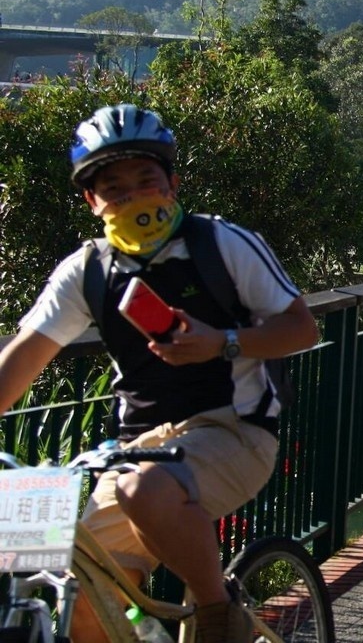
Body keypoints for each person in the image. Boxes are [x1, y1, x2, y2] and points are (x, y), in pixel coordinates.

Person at [0, 104, 319, 643]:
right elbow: (28, 351)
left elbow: (301, 328)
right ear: (92, 200)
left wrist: (223, 343)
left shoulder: (219, 244)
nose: (132, 196)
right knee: (81, 599)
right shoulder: (88, 271)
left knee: (145, 490)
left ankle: (219, 616)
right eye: (113, 187)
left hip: (234, 431)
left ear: (171, 182)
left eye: (145, 179)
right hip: (134, 449)